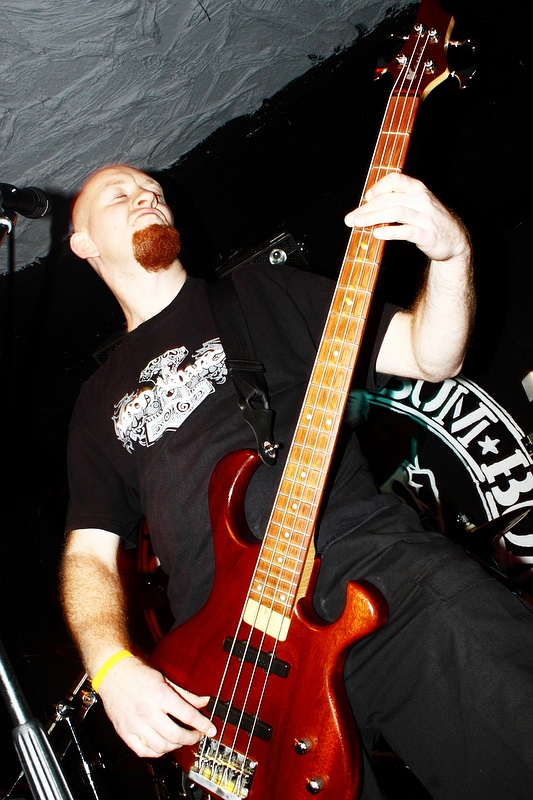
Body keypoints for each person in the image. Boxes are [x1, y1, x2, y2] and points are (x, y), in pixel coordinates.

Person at [60, 164, 533, 800]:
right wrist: (112, 668)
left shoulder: (260, 292)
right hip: (234, 671)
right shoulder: (96, 403)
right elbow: (87, 555)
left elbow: (429, 355)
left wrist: (452, 256)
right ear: (82, 242)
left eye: (155, 193)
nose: (147, 198)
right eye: (120, 195)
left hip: (371, 570)